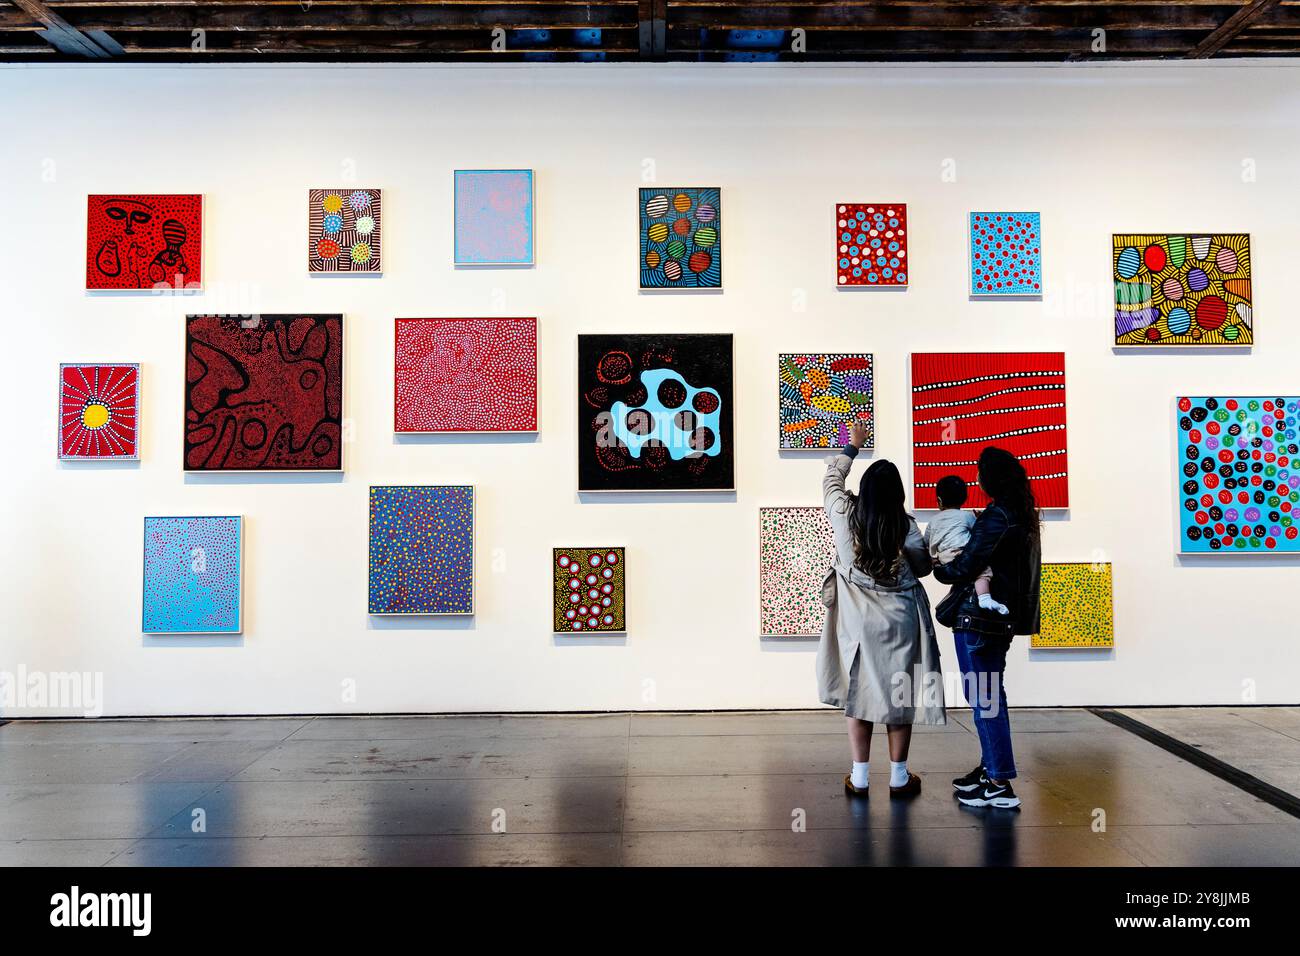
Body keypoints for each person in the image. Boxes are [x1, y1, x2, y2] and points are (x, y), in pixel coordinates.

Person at [816, 421, 946, 799]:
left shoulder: (844, 515)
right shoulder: (905, 527)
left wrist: (852, 448)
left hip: (859, 623)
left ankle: (859, 778)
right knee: (898, 695)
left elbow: (831, 483)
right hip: (901, 621)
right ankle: (899, 777)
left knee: (859, 695)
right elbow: (923, 568)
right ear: (897, 494)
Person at [933, 447, 1042, 810]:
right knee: (989, 697)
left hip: (978, 621)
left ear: (990, 479)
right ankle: (991, 768)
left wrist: (940, 570)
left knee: (985, 699)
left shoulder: (997, 516)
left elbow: (968, 562)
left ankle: (999, 783)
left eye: (981, 473)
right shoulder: (1021, 514)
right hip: (996, 621)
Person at [922, 475, 1008, 615]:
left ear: (939, 501)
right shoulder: (967, 516)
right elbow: (979, 536)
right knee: (984, 571)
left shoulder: (933, 521)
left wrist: (933, 560)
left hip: (944, 559)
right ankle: (984, 597)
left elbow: (925, 543)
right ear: (964, 499)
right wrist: (980, 519)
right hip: (963, 555)